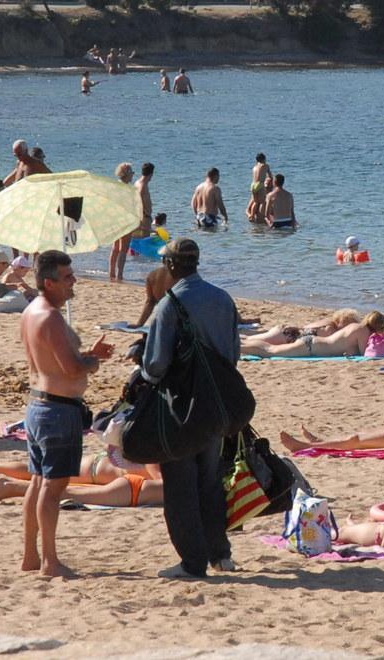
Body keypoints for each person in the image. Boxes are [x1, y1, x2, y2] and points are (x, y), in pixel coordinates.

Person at [141, 239, 240, 579]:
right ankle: (220, 553)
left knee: (181, 485)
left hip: (181, 407)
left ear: (170, 267)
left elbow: (155, 365)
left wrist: (137, 368)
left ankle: (192, 562)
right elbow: (233, 353)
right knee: (211, 481)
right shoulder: (222, 298)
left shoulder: (170, 305)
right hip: (217, 403)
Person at [19, 251, 114, 577]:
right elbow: (72, 369)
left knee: (37, 482)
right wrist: (92, 362)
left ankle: (31, 555)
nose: (73, 282)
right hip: (57, 411)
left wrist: (88, 353)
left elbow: (54, 358)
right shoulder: (50, 317)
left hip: (40, 406)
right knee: (52, 486)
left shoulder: (32, 311)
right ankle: (49, 561)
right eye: (68, 277)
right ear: (50, 282)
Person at [242, 311, 384, 358]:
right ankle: (237, 346)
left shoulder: (356, 327)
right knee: (270, 351)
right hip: (311, 346)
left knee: (270, 349)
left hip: (312, 342)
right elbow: (366, 354)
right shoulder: (362, 331)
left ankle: (240, 343)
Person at [0, 452, 158, 485]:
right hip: (92, 470)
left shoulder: (153, 456)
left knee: (37, 470)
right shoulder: (154, 460)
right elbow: (160, 482)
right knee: (36, 472)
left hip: (97, 465)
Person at [0, 475, 163, 508]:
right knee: (65, 493)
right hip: (132, 492)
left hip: (133, 490)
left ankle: (10, 485)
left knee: (67, 491)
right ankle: (10, 487)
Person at [244, 309, 360, 345]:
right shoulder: (330, 329)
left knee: (250, 339)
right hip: (286, 335)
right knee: (249, 341)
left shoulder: (327, 322)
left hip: (285, 331)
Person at [109, 162, 135, 281]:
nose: (133, 175)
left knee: (115, 248)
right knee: (123, 249)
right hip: (125, 220)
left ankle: (111, 272)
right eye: (132, 173)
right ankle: (120, 274)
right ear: (127, 174)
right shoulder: (127, 188)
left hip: (115, 219)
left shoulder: (115, 186)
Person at [247, 153, 272, 222]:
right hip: (260, 184)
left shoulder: (254, 167)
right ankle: (260, 218)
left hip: (253, 185)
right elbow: (270, 176)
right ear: (263, 159)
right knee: (262, 202)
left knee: (255, 202)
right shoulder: (265, 165)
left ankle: (251, 216)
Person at [133, 162, 154, 239]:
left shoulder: (137, 183)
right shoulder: (143, 186)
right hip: (144, 218)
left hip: (142, 217)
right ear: (151, 173)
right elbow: (139, 203)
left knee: (138, 241)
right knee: (144, 241)